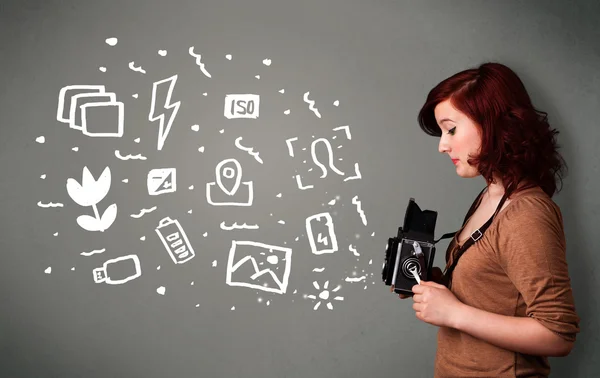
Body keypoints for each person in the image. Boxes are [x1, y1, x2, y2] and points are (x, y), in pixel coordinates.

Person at [399, 62, 580, 377]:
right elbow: (494, 290)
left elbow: (558, 334)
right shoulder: (490, 196)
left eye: (451, 128)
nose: (442, 145)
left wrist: (454, 313)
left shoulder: (527, 214)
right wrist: (431, 284)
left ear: (492, 124)